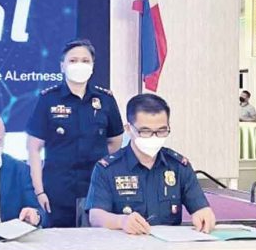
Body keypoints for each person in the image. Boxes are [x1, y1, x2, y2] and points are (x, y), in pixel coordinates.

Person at [26, 38, 124, 227]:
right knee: (57, 246)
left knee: (97, 246)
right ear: (62, 66)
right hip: (57, 189)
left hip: (97, 191)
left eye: (85, 61)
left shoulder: (106, 100)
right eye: (73, 60)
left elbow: (114, 143)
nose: (79, 65)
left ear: (93, 66)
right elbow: (34, 148)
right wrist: (39, 191)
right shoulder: (48, 99)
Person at [86, 93, 216, 234]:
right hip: (125, 248)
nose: (154, 137)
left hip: (168, 249)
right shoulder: (107, 169)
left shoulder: (178, 166)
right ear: (129, 129)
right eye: (145, 131)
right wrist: (121, 221)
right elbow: (96, 217)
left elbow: (200, 208)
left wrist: (204, 214)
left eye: (161, 131)